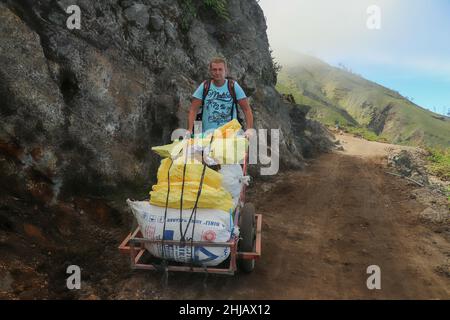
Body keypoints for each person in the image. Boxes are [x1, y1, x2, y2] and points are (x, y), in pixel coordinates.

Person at [187, 57, 253, 138]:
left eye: (220, 69)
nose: (217, 72)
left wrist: (249, 129)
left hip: (229, 135)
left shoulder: (233, 86)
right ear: (210, 71)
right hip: (207, 135)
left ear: (225, 70)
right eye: (214, 70)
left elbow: (246, 109)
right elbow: (193, 109)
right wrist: (190, 130)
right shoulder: (205, 86)